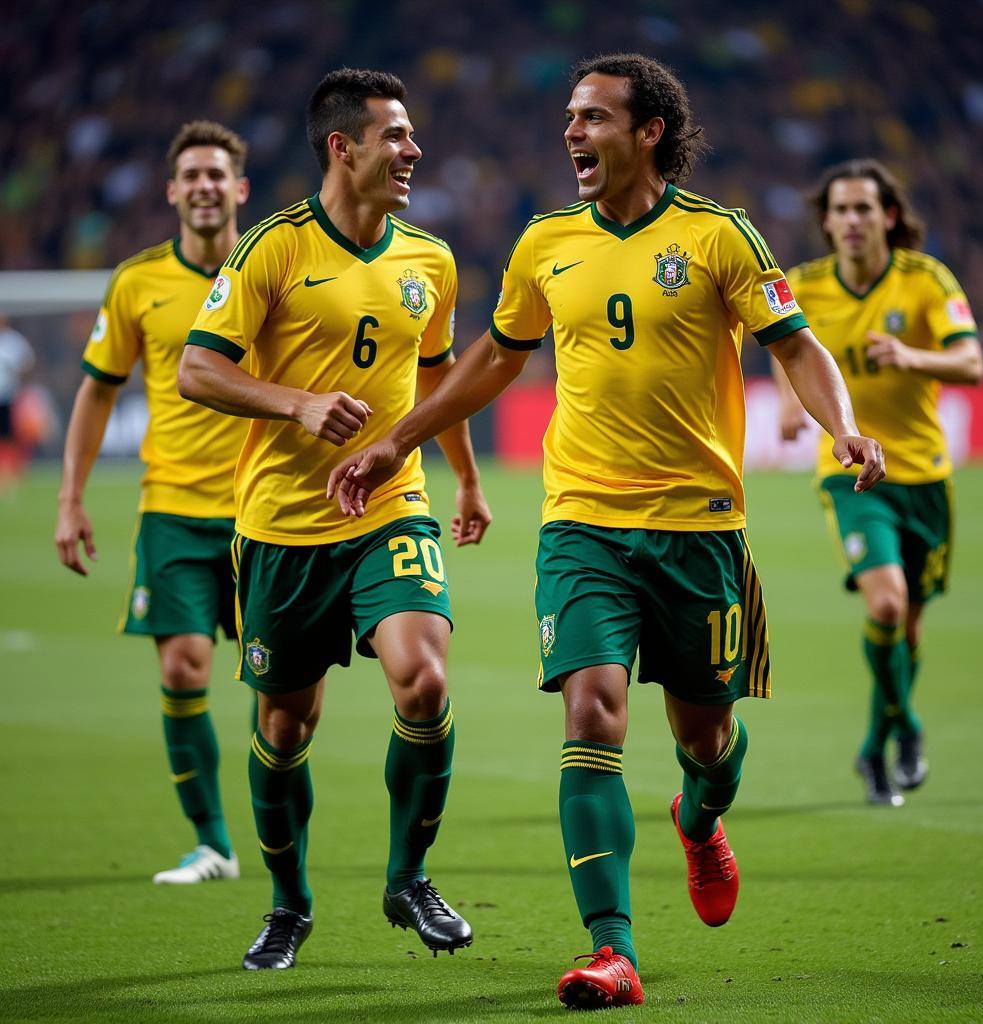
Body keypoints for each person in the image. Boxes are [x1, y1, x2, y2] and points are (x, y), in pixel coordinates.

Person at [327, 53, 885, 1009]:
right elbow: (492, 363)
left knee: (706, 741)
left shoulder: (719, 237)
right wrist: (395, 443)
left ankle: (700, 822)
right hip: (583, 522)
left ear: (648, 131)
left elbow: (796, 344)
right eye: (570, 118)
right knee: (591, 714)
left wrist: (842, 427)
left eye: (592, 119)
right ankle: (612, 950)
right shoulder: (546, 243)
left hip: (699, 529)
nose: (572, 134)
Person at [178, 68, 491, 971]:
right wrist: (297, 405)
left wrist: (464, 477)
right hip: (281, 526)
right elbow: (199, 370)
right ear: (341, 147)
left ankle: (409, 876)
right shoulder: (271, 248)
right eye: (395, 136)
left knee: (424, 682)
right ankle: (289, 906)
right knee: (285, 729)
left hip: (391, 510)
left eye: (412, 135)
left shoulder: (429, 260)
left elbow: (436, 382)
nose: (413, 151)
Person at [55, 121, 251, 884]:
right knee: (182, 668)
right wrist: (70, 498)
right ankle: (213, 843)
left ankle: (277, 848)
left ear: (238, 189)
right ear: (173, 192)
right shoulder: (137, 282)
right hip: (171, 506)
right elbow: (96, 392)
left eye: (217, 175)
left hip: (263, 509)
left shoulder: (268, 268)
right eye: (191, 176)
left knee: (282, 692)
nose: (204, 187)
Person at [774, 159, 983, 806]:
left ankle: (874, 748)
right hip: (852, 477)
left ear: (888, 216)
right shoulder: (804, 284)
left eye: (864, 208)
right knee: (887, 605)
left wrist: (913, 355)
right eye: (840, 210)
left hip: (923, 476)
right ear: (827, 222)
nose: (852, 221)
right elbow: (786, 346)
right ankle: (910, 728)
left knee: (908, 629)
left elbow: (972, 362)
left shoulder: (925, 280)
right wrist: (787, 401)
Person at [0, 316, 36, 491]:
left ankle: (12, 471)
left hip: (7, 396)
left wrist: (19, 378)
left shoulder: (13, 342)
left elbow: (27, 362)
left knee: (10, 435)